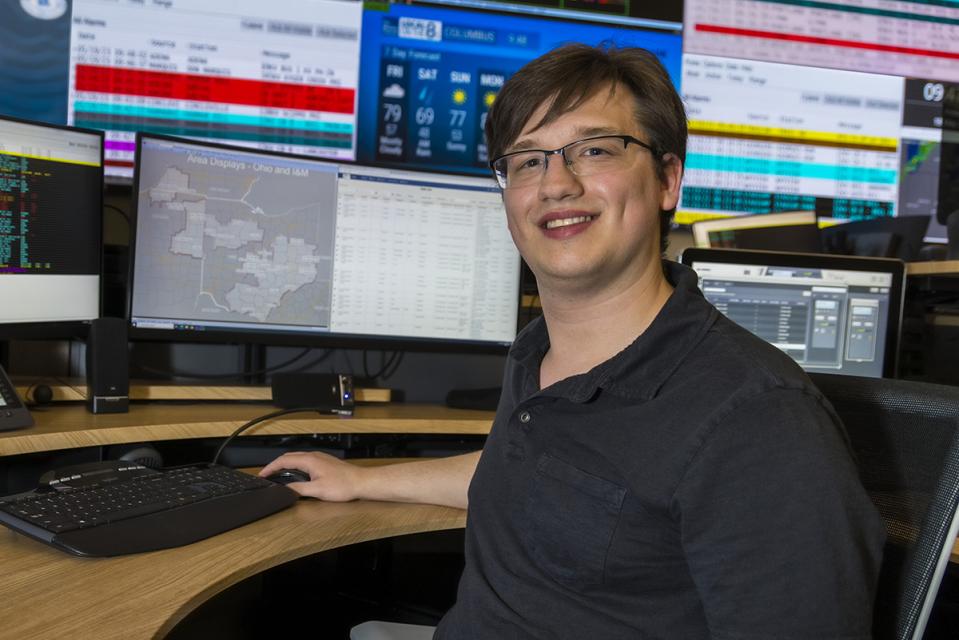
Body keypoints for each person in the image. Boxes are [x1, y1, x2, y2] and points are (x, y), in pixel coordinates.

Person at [260, 43, 886, 638]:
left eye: (594, 150)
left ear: (668, 180)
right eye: (528, 160)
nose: (556, 184)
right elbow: (535, 482)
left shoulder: (757, 420)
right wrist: (362, 479)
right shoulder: (538, 352)